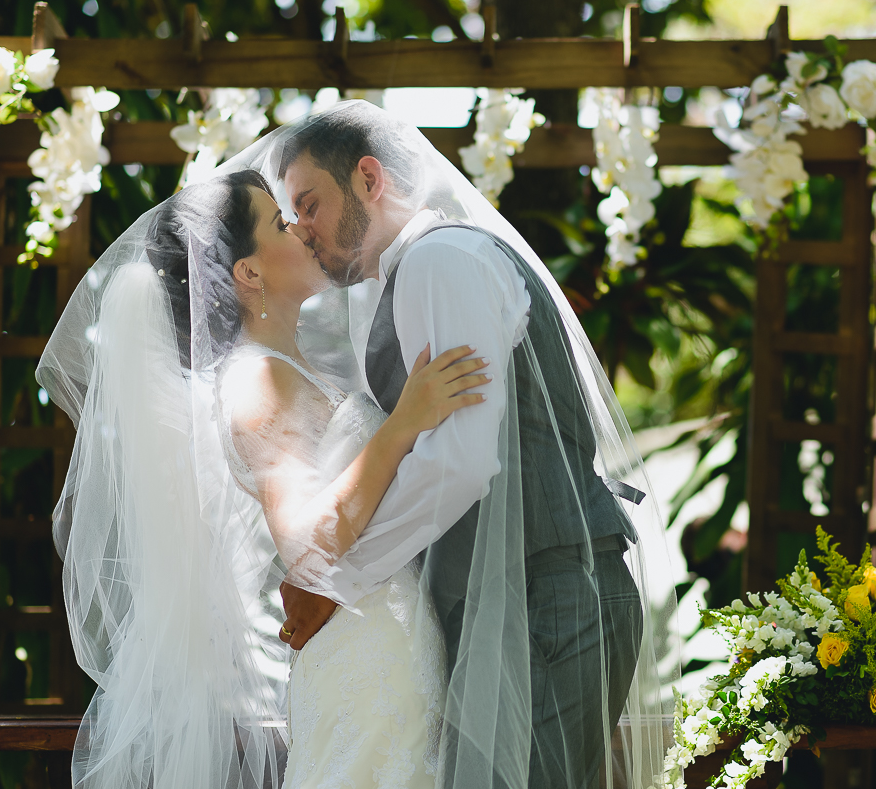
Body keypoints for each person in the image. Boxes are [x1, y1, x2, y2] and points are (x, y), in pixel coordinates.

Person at [246, 102, 675, 789]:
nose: (302, 228)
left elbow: (461, 462)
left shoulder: (442, 262)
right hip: (514, 608)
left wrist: (336, 580)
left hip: (553, 604)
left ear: (368, 178)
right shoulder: (407, 275)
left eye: (310, 203)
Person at [38, 169, 490, 788]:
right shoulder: (257, 382)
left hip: (386, 641)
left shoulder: (291, 366)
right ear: (249, 274)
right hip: (364, 660)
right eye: (280, 223)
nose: (302, 229)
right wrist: (404, 423)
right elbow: (304, 548)